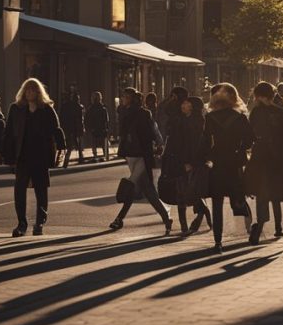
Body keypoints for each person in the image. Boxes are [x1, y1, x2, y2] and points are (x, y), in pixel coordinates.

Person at [1, 79, 66, 237]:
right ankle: (21, 224)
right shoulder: (16, 109)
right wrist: (5, 153)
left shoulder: (46, 109)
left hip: (40, 155)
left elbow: (56, 129)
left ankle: (39, 223)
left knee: (41, 190)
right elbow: (9, 132)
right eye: (27, 90)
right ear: (23, 92)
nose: (29, 93)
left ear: (38, 93)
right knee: (19, 190)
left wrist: (62, 147)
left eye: (33, 90)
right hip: (22, 155)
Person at [110, 88, 173, 234]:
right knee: (148, 190)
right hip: (130, 154)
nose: (123, 98)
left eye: (126, 96)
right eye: (123, 96)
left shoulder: (144, 113)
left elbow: (154, 129)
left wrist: (159, 144)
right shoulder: (123, 112)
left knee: (131, 184)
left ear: (132, 99)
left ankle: (119, 219)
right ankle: (166, 218)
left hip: (142, 154)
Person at [204, 83, 255, 253]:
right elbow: (250, 139)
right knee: (239, 197)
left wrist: (207, 158)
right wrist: (240, 150)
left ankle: (218, 240)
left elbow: (204, 142)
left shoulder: (210, 118)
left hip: (218, 163)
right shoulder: (239, 117)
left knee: (216, 203)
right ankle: (251, 230)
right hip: (234, 162)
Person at [245, 81, 283, 243]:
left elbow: (249, 135)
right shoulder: (282, 113)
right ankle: (278, 227)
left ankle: (259, 226)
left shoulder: (256, 112)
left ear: (260, 96)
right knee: (276, 194)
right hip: (278, 158)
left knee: (262, 193)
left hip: (261, 158)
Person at [161, 94, 210, 236]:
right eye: (182, 103)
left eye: (186, 103)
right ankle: (184, 227)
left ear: (193, 106)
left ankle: (203, 214)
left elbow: (198, 146)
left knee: (193, 194)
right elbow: (168, 111)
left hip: (194, 163)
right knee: (180, 194)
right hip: (180, 162)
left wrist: (192, 163)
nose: (183, 105)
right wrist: (173, 99)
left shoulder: (199, 122)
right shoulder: (180, 120)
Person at [60, 92, 85, 168]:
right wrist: (81, 127)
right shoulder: (78, 107)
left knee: (69, 146)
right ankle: (80, 158)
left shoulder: (65, 106)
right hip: (75, 128)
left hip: (67, 128)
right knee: (78, 144)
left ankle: (66, 161)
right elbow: (80, 119)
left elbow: (61, 117)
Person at [85, 91, 110, 162]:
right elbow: (106, 119)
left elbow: (87, 119)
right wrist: (106, 127)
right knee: (102, 142)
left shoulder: (91, 108)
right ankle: (104, 155)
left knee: (94, 142)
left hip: (95, 128)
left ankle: (95, 155)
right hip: (101, 128)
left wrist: (89, 127)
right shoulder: (103, 108)